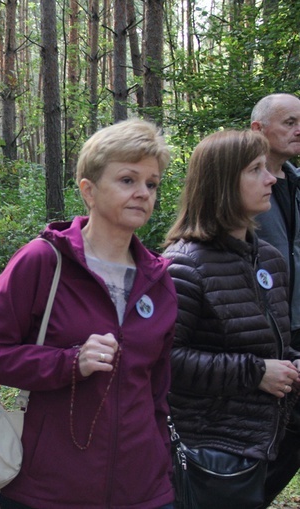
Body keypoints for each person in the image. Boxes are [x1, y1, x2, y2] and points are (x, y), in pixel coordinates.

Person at [0, 119, 176, 508]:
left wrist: (162, 465)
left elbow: (158, 390)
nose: (143, 193)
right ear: (88, 191)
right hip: (50, 490)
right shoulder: (44, 260)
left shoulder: (159, 280)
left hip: (143, 491)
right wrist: (69, 361)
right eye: (128, 180)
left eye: (152, 183)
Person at [163, 129, 300, 508]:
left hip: (260, 443)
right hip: (208, 451)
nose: (271, 178)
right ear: (222, 182)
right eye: (256, 169)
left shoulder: (269, 258)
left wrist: (290, 366)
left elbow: (272, 346)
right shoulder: (183, 266)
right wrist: (257, 372)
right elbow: (166, 361)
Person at [250, 93, 300, 505]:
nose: (298, 129)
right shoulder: (240, 189)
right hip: (263, 335)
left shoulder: (297, 184)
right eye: (289, 121)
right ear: (258, 129)